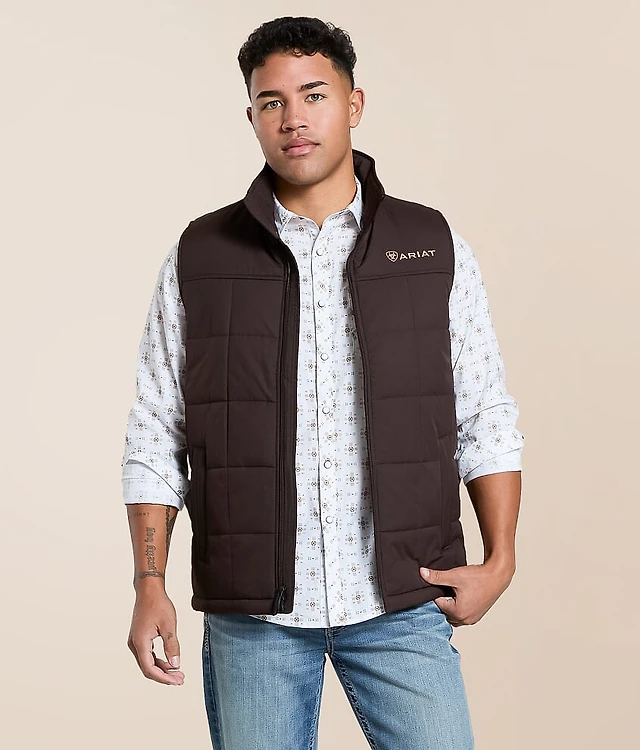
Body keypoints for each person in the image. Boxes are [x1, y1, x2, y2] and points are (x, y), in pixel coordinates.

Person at [121, 15, 524, 750]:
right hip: (255, 619)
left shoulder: (431, 246)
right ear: (252, 117)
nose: (294, 118)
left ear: (354, 103)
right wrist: (150, 583)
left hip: (403, 601)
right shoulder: (200, 256)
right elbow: (156, 431)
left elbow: (485, 415)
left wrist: (500, 561)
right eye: (271, 102)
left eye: (314, 95)